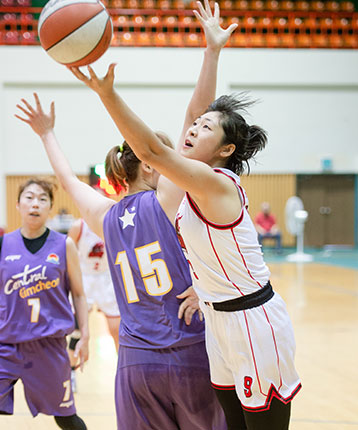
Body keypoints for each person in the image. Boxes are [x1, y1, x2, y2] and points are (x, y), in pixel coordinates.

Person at [64, 18, 302, 430]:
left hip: (252, 319)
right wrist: (211, 52)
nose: (192, 128)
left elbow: (154, 150)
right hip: (217, 319)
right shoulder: (183, 189)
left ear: (226, 149)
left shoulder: (215, 182)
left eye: (205, 128)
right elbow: (194, 113)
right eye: (193, 126)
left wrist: (107, 94)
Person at [16, 1, 236, 429]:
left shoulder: (105, 214)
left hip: (134, 365)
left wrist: (46, 134)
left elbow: (66, 179)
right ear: (153, 164)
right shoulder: (169, 197)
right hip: (188, 352)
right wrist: (211, 53)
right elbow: (196, 116)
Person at [0, 178, 89, 430]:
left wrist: (85, 334)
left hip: (49, 346)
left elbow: (79, 294)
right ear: (17, 205)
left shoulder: (64, 245)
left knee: (66, 418)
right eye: (29, 197)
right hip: (6, 343)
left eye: (42, 198)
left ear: (50, 207)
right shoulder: (3, 244)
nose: (35, 204)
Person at [67, 213, 121, 392]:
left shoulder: (111, 223)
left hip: (107, 278)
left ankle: (123, 374)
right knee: (76, 331)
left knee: (117, 330)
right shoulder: (78, 226)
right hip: (85, 279)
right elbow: (67, 253)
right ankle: (70, 373)